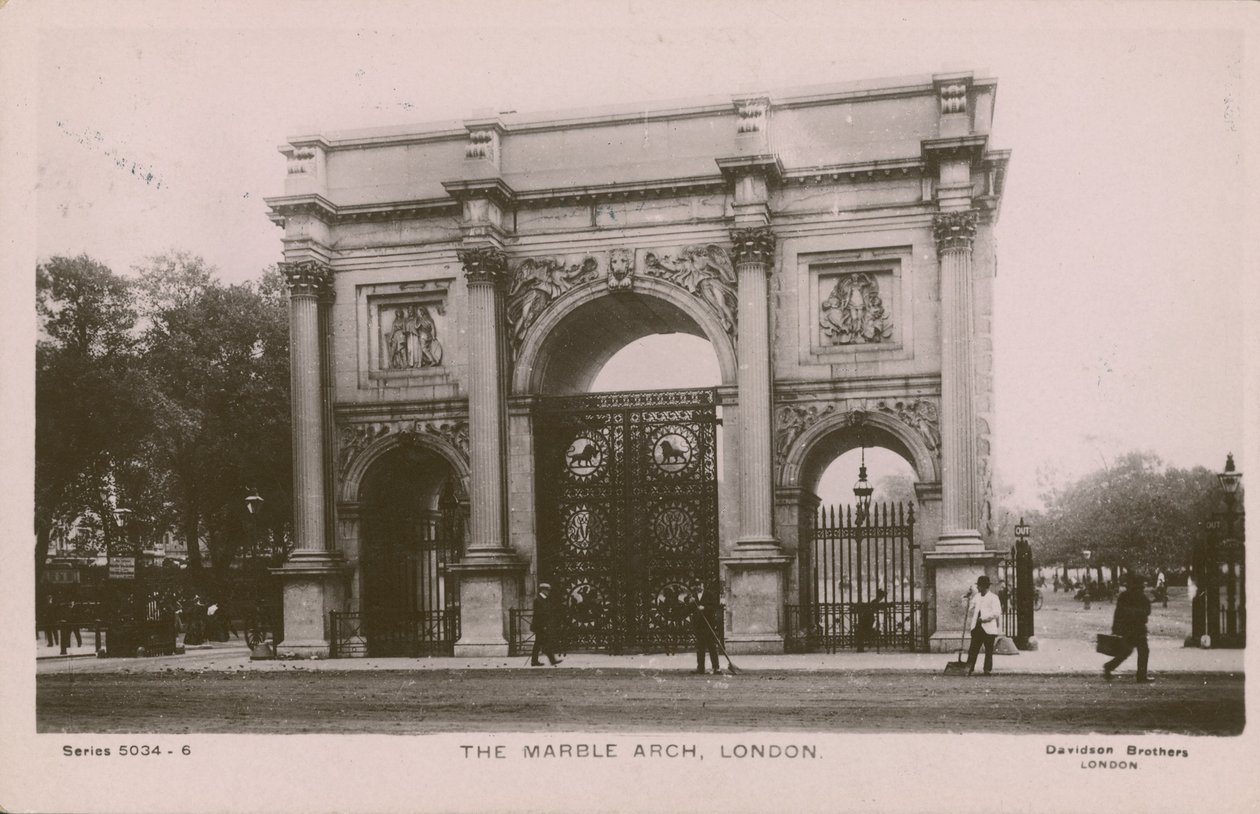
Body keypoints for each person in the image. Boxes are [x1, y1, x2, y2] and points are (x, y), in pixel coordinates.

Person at [1103, 574, 1153, 683]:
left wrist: (1115, 628)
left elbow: (1118, 613)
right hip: (1138, 628)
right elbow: (1147, 611)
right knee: (1143, 651)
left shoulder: (1124, 595)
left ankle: (1109, 667)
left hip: (1126, 628)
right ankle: (1141, 676)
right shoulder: (1141, 596)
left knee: (1126, 651)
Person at [964, 575, 1003, 676]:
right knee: (973, 649)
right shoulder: (976, 597)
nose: (977, 588)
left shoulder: (994, 598)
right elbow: (968, 608)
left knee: (988, 650)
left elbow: (996, 612)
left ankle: (987, 669)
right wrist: (966, 598)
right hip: (977, 627)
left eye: (979, 586)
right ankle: (969, 668)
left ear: (984, 586)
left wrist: (984, 618)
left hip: (989, 628)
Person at [686, 582, 721, 675]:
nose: (698, 587)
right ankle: (700, 668)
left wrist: (704, 608)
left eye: (699, 584)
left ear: (703, 585)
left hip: (708, 624)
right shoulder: (693, 596)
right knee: (700, 647)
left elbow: (714, 607)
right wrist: (691, 603)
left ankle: (716, 668)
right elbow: (690, 610)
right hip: (698, 625)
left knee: (711, 647)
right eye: (696, 585)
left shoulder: (709, 594)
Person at [530, 582, 562, 667]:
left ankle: (535, 661)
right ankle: (551, 660)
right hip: (540, 625)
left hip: (543, 625)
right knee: (543, 642)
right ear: (543, 590)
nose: (548, 591)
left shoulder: (544, 599)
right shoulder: (538, 600)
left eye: (549, 590)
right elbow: (538, 614)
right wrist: (543, 625)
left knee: (540, 643)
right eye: (547, 590)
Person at [855, 589, 887, 653]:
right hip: (868, 618)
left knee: (863, 632)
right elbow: (874, 608)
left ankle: (861, 647)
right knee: (865, 632)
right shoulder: (875, 602)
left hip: (867, 618)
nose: (882, 599)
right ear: (880, 597)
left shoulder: (874, 601)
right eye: (882, 597)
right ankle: (862, 647)